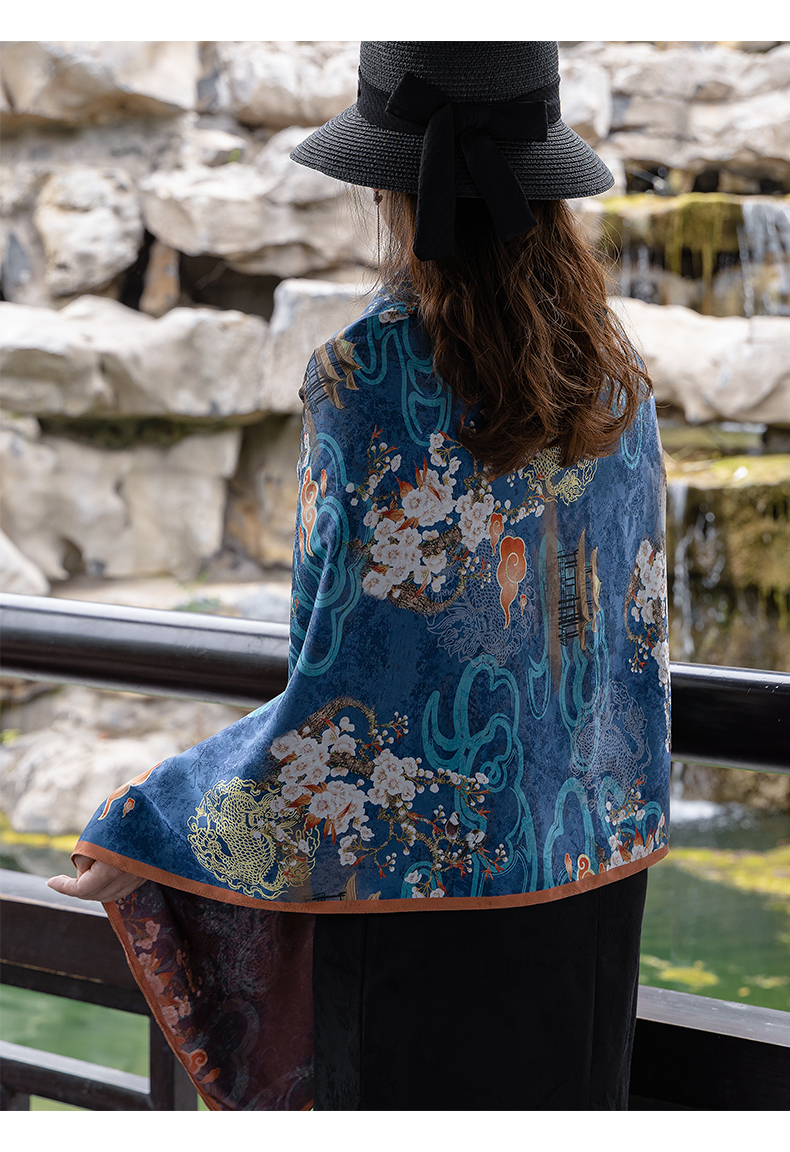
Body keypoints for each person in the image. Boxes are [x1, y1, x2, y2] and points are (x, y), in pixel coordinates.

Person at [49, 41, 670, 1111]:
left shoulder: (365, 377)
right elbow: (631, 644)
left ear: (391, 185)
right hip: (587, 894)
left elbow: (337, 682)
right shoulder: (614, 375)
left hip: (416, 921)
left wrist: (147, 824)